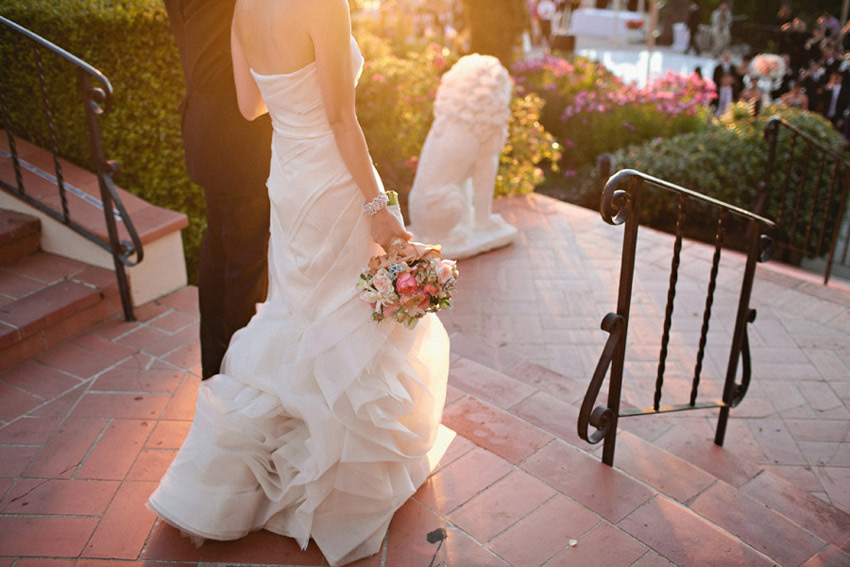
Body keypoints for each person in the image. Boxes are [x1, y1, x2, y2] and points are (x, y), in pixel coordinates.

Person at [147, 1, 451, 565]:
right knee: (342, 314)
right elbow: (342, 119)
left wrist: (292, 97)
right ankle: (334, 474)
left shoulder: (242, 10)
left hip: (286, 177)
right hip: (331, 182)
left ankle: (243, 469)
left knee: (299, 310)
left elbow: (250, 104)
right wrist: (380, 206)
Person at [164, 0, 273, 380]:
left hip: (207, 128)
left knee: (221, 251)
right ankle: (238, 377)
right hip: (239, 137)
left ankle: (217, 369)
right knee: (245, 263)